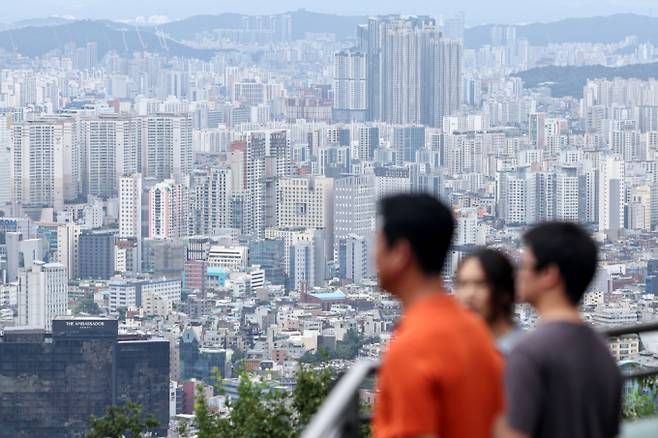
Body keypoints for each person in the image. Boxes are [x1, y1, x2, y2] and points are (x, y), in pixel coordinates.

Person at [372, 193, 504, 438]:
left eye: (378, 244)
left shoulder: (413, 346)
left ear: (401, 253)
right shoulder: (476, 331)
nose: (374, 258)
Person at [498, 222, 622, 438]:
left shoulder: (529, 353)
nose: (519, 274)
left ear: (549, 274)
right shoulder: (602, 349)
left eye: (525, 266)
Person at [454, 248, 523, 354]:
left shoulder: (523, 351)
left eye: (481, 284)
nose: (470, 294)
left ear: (505, 292)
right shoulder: (457, 352)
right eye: (463, 284)